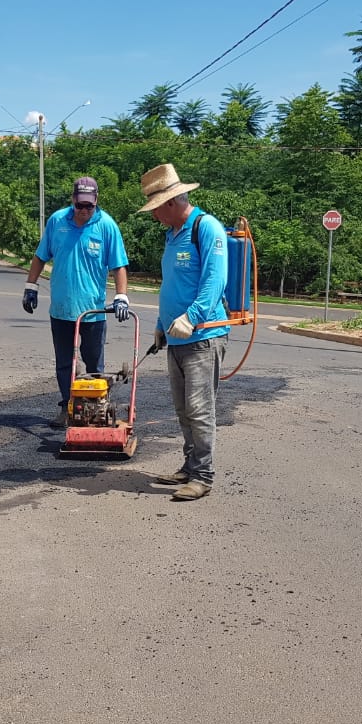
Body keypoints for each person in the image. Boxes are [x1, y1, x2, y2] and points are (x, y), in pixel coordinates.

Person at [137, 164, 229, 501]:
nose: (154, 217)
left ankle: (203, 477)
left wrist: (191, 317)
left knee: (200, 409)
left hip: (203, 335)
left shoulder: (207, 229)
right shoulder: (172, 234)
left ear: (170, 203)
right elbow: (172, 285)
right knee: (181, 409)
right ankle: (190, 467)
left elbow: (214, 280)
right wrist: (162, 326)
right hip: (176, 336)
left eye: (155, 210)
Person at [22, 176, 130, 428]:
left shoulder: (107, 226)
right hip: (61, 308)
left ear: (96, 202)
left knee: (93, 363)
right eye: (79, 205)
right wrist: (31, 287)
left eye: (88, 206)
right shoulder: (57, 221)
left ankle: (96, 408)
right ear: (72, 200)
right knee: (64, 363)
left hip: (93, 311)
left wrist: (121, 296)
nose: (83, 211)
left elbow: (119, 265)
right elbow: (40, 256)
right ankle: (67, 406)